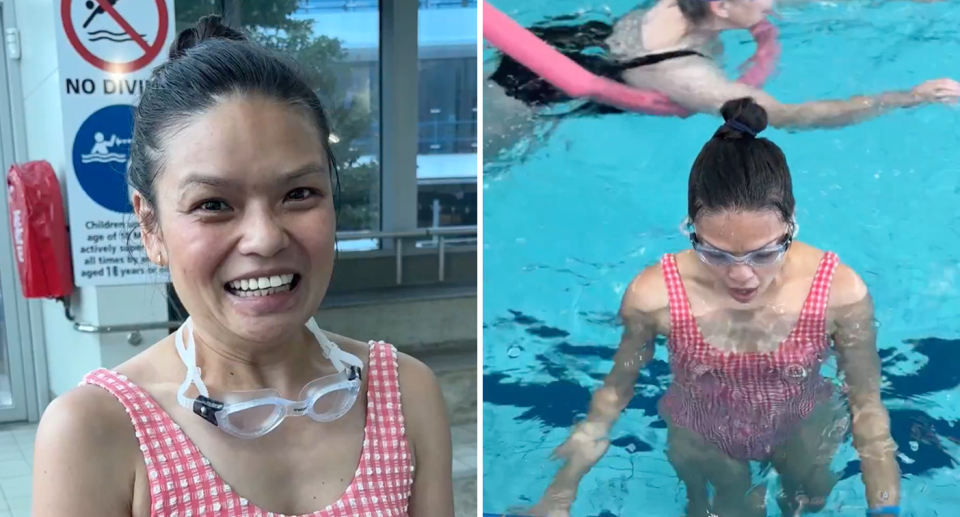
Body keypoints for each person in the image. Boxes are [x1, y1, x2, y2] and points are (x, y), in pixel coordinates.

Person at [33, 15, 454, 517]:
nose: (265, 238)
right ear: (151, 227)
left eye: (299, 194)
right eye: (213, 203)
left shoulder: (405, 395)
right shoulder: (96, 432)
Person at [524, 98, 900, 517]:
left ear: (792, 222)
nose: (742, 276)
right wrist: (558, 497)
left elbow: (867, 405)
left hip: (804, 425)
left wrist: (885, 505)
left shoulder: (837, 290)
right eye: (716, 254)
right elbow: (613, 395)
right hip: (702, 434)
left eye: (764, 253)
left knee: (808, 502)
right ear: (690, 229)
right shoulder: (656, 296)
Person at [483, 0, 960, 156]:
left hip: (580, 39)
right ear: (723, 9)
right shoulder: (683, 74)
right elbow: (790, 116)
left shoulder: (701, 7)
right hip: (531, 96)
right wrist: (907, 97)